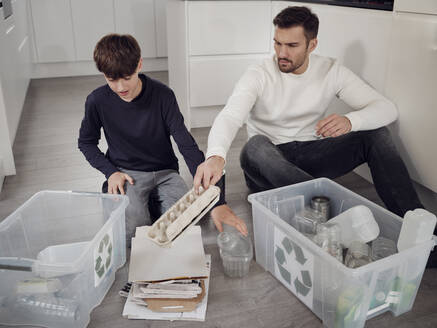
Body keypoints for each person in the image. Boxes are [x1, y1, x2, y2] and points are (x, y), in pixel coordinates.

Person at [194, 6, 426, 242]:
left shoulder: (331, 71)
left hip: (310, 156)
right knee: (254, 145)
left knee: (376, 135)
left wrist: (350, 121)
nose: (281, 53)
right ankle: (338, 215)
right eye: (277, 43)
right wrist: (215, 156)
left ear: (312, 45)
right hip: (267, 165)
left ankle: (418, 230)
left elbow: (387, 108)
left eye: (292, 46)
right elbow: (230, 116)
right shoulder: (259, 73)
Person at [78, 34, 247, 245]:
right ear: (104, 74)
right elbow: (86, 142)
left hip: (166, 173)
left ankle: (144, 202)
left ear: (139, 64)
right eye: (112, 80)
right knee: (134, 233)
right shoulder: (97, 101)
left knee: (180, 227)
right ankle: (133, 201)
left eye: (127, 77)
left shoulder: (163, 95)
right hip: (127, 174)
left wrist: (218, 201)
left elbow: (185, 143)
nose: (121, 87)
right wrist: (110, 172)